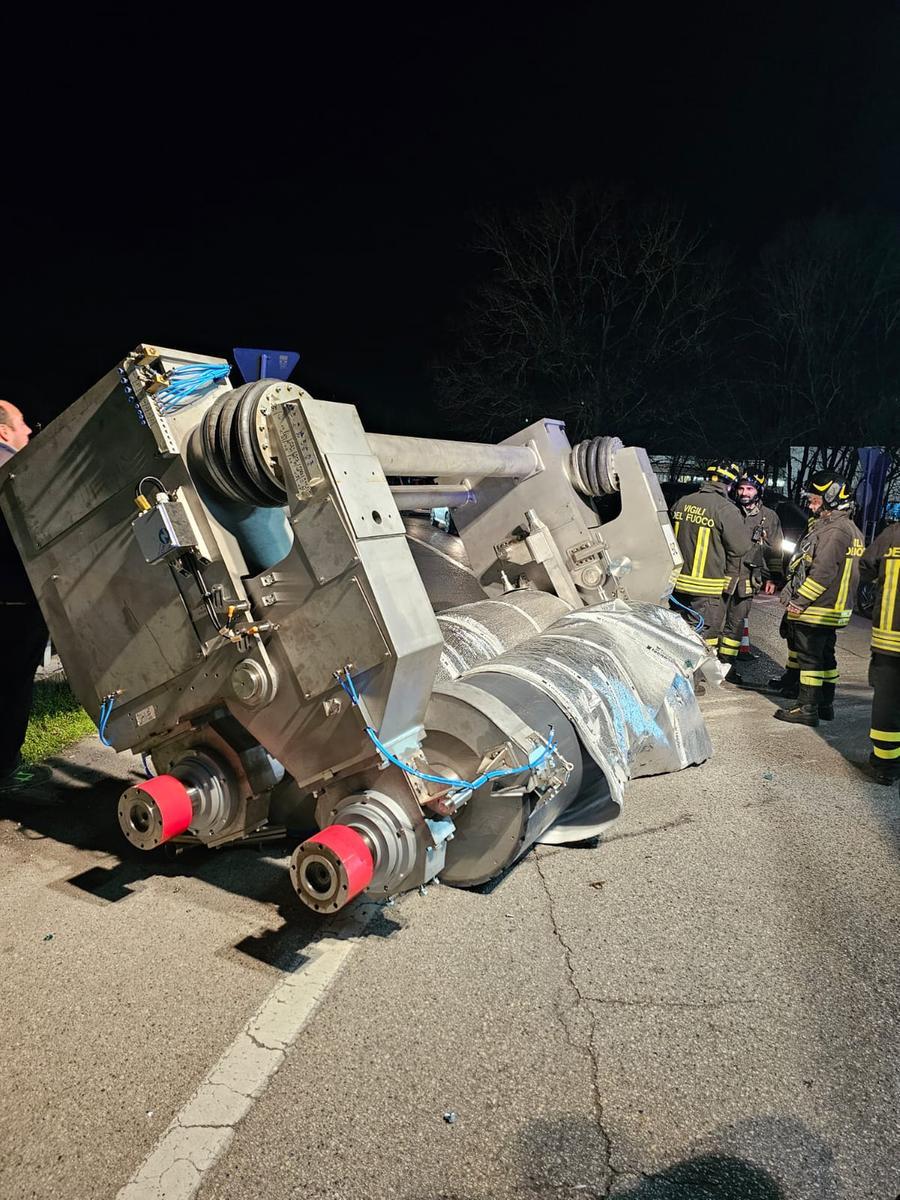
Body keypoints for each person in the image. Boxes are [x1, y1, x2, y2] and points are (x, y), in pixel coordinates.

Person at [772, 470, 864, 727]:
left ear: (831, 497)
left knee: (810, 659)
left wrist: (798, 601)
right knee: (825, 657)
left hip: (818, 608)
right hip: (834, 608)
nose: (811, 501)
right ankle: (824, 704)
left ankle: (807, 707)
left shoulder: (835, 530)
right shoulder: (851, 529)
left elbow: (823, 573)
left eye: (815, 497)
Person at [0, 401, 51, 792]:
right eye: (23, 425)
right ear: (3, 432)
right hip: (16, 603)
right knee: (13, 687)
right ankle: (6, 771)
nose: (31, 432)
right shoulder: (13, 476)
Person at [670, 462, 752, 657]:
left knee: (677, 633)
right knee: (702, 636)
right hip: (706, 587)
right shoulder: (726, 509)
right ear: (730, 484)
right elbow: (741, 547)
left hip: (677, 582)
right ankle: (693, 681)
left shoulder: (683, 502)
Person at [718, 471, 783, 684]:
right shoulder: (728, 510)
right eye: (741, 488)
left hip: (748, 578)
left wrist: (773, 577)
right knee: (713, 621)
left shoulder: (769, 517)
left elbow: (775, 551)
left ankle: (727, 664)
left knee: (736, 624)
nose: (744, 493)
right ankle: (707, 665)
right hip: (723, 575)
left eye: (749, 489)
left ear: (758, 491)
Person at [858, 501, 900, 783]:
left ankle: (885, 765)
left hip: (890, 636)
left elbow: (865, 566)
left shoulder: (893, 534)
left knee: (887, 699)